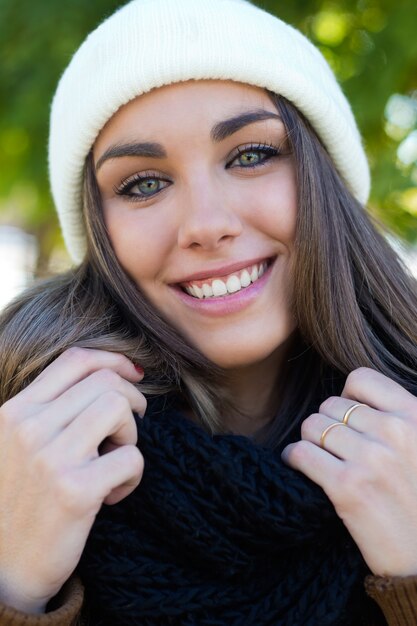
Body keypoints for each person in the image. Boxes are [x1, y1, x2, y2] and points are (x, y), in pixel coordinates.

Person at [0, 0, 416, 623]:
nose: (206, 225)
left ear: (324, 181)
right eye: (143, 183)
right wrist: (10, 584)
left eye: (251, 155)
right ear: (99, 232)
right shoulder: (17, 437)